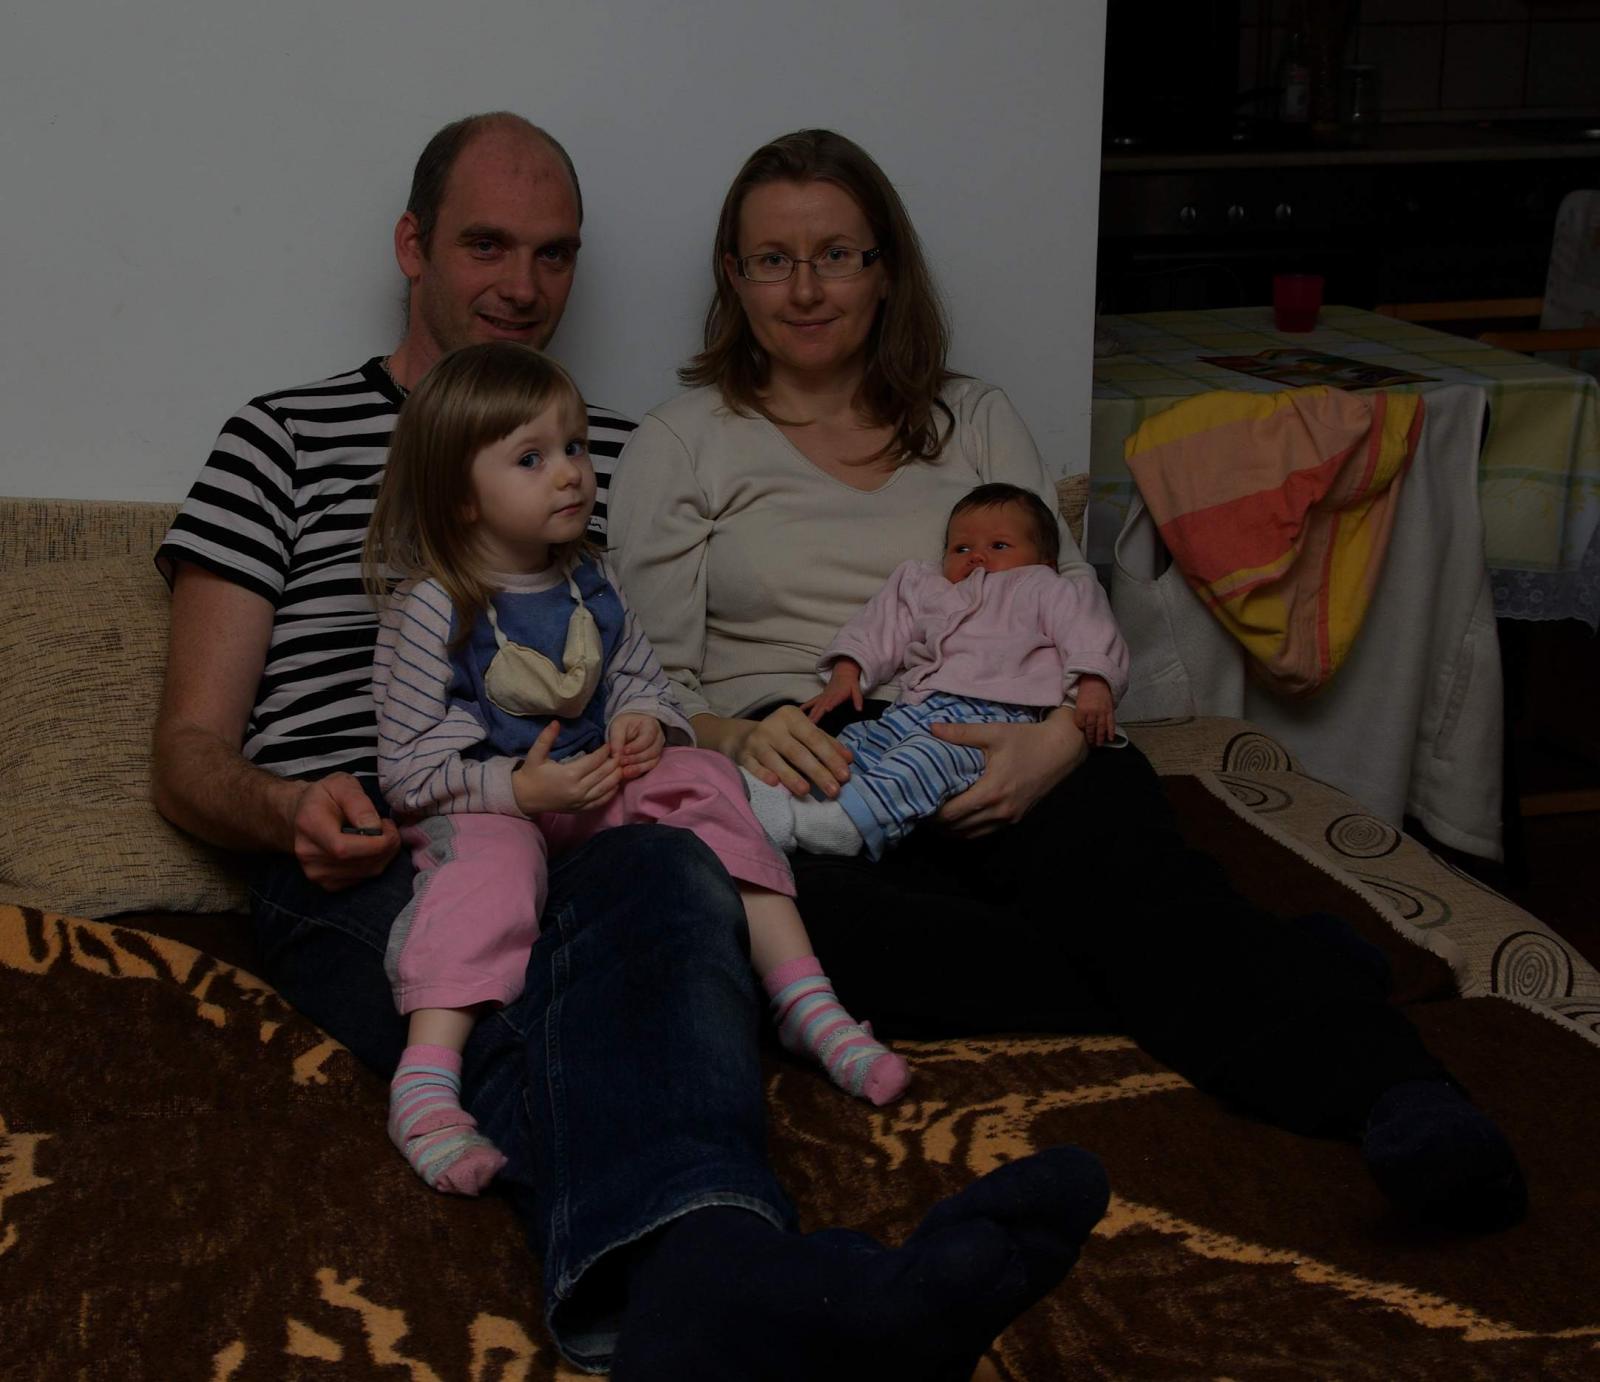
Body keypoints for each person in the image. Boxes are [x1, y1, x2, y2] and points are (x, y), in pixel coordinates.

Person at [151, 112, 1111, 1377]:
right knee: (506, 996)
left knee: (674, 875)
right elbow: (187, 752)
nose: (521, 284)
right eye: (486, 244)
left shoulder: (602, 452)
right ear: (412, 246)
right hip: (376, 840)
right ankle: (725, 1273)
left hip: (580, 813)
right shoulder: (280, 437)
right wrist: (290, 811)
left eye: (554, 253)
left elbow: (660, 668)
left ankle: (701, 1297)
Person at [608, 127, 1528, 1233]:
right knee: (812, 948)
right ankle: (1281, 961)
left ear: (885, 269)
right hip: (814, 750)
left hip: (1012, 721)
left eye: (837, 255)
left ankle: (1399, 1095)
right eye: (772, 260)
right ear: (733, 275)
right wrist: (738, 735)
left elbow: (1070, 598)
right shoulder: (683, 441)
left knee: (1126, 875)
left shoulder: (973, 417)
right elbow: (645, 676)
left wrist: (1054, 738)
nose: (805, 289)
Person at [367, 342, 907, 1197]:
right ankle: (426, 1083)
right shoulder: (436, 603)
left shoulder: (591, 577)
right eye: (531, 459)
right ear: (462, 496)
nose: (570, 474)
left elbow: (642, 682)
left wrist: (644, 725)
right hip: (494, 803)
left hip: (592, 791)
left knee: (704, 779)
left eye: (575, 446)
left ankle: (805, 1000)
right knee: (487, 872)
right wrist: (516, 789)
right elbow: (404, 769)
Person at [744, 481, 1129, 859]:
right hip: (913, 705)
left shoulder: (1046, 586)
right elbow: (883, 623)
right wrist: (848, 669)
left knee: (923, 762)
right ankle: (780, 799)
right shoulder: (928, 586)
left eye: (999, 546)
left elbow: (1088, 628)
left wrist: (1094, 682)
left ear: (1045, 561)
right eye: (962, 548)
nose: (977, 557)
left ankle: (849, 826)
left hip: (995, 715)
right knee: (854, 744)